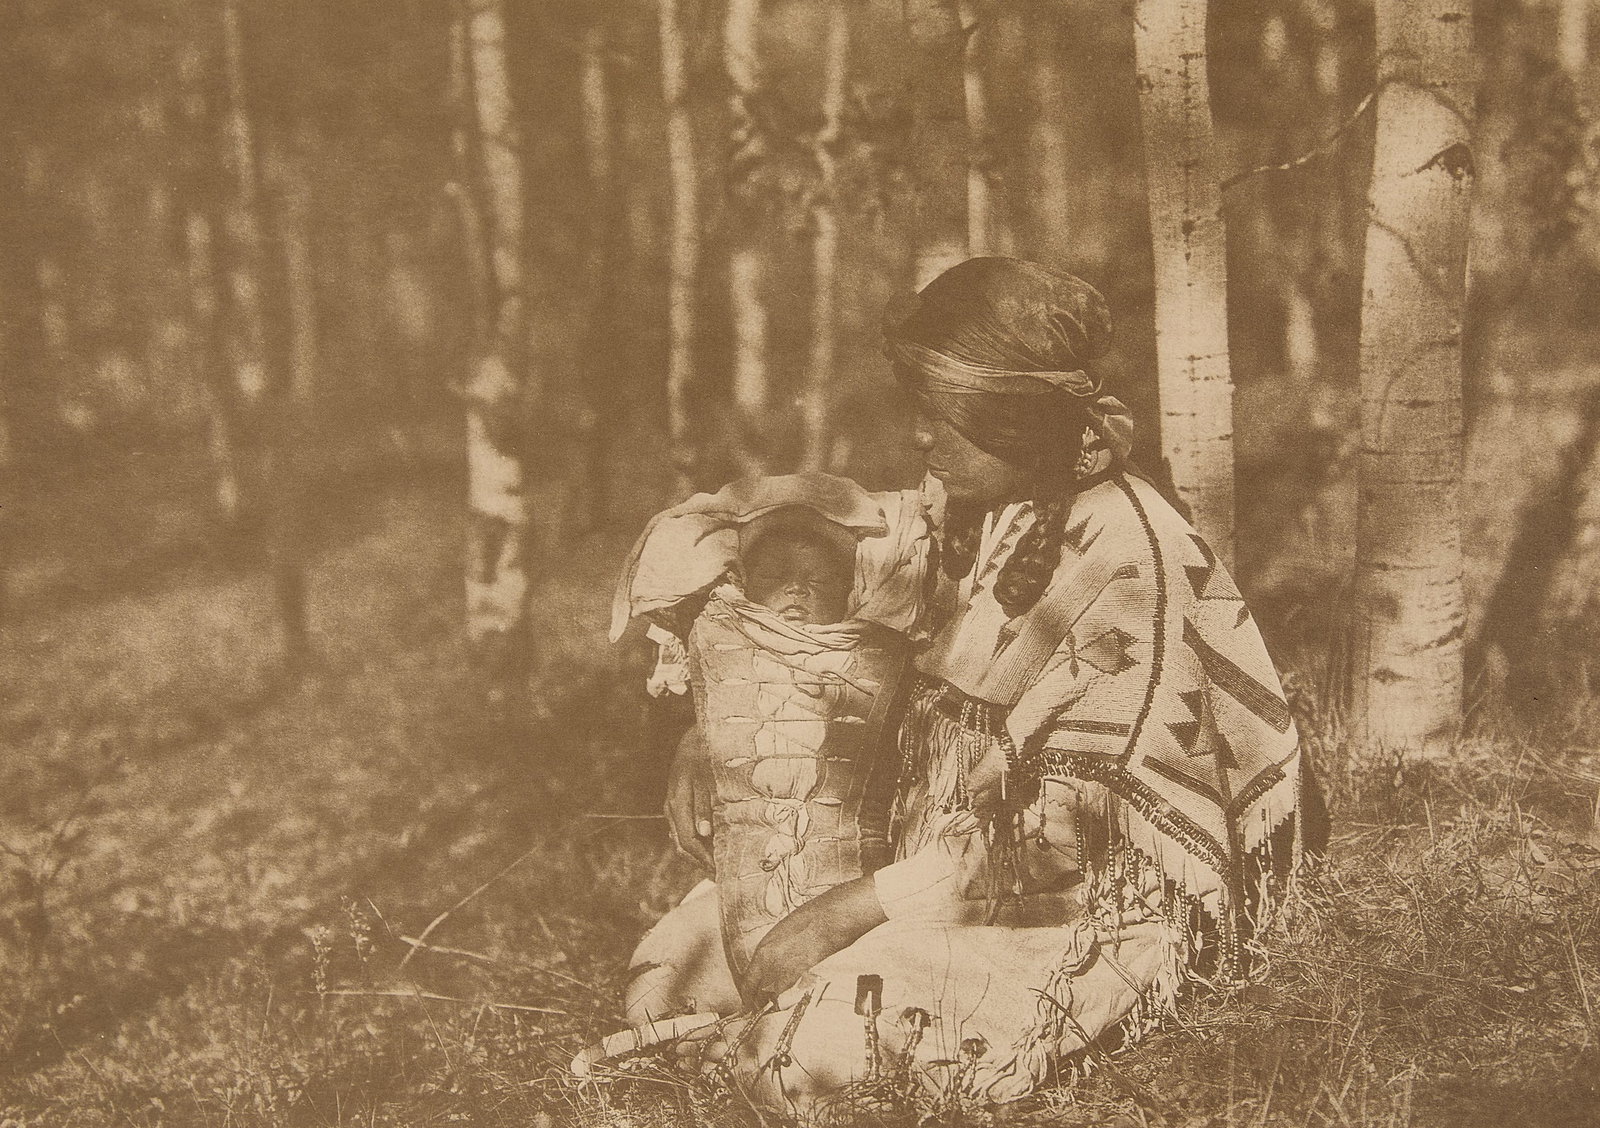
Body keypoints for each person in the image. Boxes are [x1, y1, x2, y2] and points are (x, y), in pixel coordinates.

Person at [634, 258, 1310, 1117]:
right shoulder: (987, 516)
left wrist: (844, 914)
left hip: (1085, 918)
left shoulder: (1132, 565)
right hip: (947, 872)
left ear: (1016, 422)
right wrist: (707, 736)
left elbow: (1068, 842)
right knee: (674, 967)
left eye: (942, 415)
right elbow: (780, 535)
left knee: (808, 1053)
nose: (921, 439)